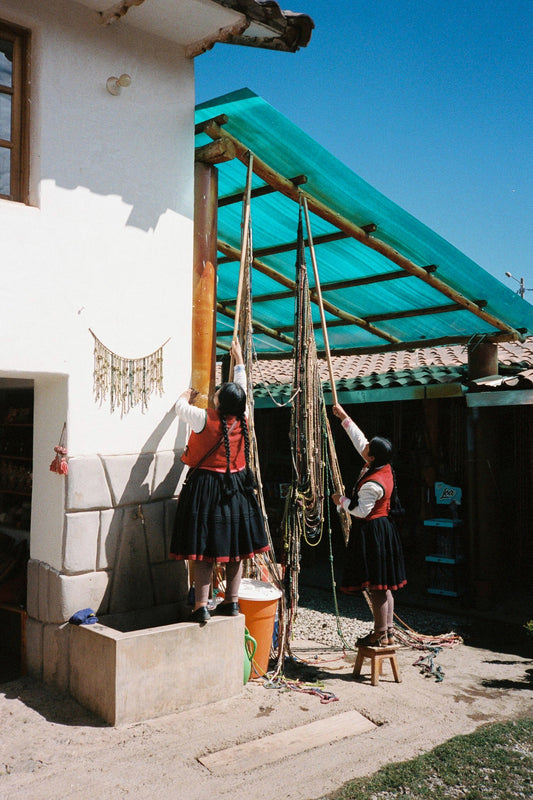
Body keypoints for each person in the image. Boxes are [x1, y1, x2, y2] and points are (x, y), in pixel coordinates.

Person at [170, 339, 270, 623]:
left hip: (204, 489)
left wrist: (187, 394)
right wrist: (238, 361)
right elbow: (243, 391)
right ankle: (232, 602)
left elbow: (179, 408)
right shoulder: (244, 417)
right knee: (235, 549)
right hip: (236, 488)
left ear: (218, 402)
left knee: (201, 551)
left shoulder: (202, 418)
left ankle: (201, 605)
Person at [331, 403, 406, 647]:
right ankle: (389, 631)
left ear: (372, 457)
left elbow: (361, 511)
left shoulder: (372, 484)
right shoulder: (383, 466)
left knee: (377, 587)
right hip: (383, 529)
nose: (364, 450)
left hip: (373, 531)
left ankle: (380, 633)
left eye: (368, 450)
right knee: (384, 585)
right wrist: (344, 418)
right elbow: (360, 441)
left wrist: (340, 500)